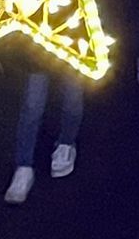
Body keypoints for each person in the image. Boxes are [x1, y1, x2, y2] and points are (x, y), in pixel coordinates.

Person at [5, 71, 84, 203]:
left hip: (75, 53)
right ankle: (24, 166)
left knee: (73, 97)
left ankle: (66, 144)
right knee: (33, 102)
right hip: (39, 58)